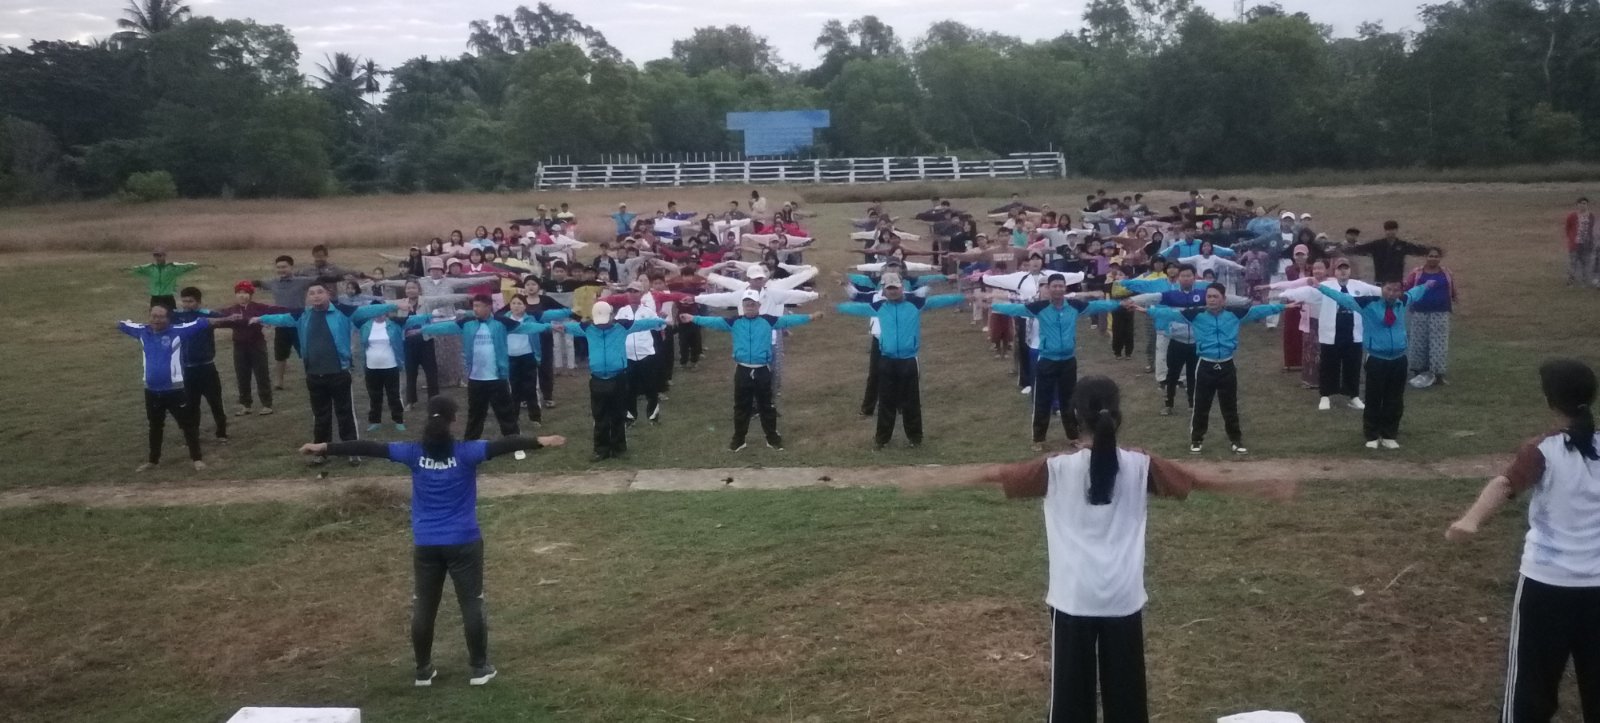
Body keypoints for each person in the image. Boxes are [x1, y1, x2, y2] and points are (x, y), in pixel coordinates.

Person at [968, 375, 1292, 723]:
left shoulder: (1055, 468)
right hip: (1123, 598)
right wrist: (1260, 488)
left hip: (1074, 599)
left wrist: (939, 479)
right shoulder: (1140, 465)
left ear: (1075, 416)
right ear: (1117, 415)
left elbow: (997, 475)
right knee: (1127, 699)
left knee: (1069, 702)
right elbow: (1196, 481)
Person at [298, 396, 566, 688]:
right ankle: (479, 669)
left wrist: (325, 447)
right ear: (453, 421)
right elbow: (504, 445)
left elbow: (369, 448)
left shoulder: (413, 453)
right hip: (464, 541)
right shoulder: (467, 452)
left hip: (426, 543)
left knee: (424, 606)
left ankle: (423, 671)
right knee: (471, 603)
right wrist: (540, 440)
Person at [1445, 359, 1600, 722]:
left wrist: (1470, 520)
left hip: (1545, 588)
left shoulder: (1542, 450)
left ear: (1550, 402)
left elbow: (1504, 485)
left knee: (1531, 688)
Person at [254, 283, 397, 466]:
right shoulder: (303, 315)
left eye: (320, 292)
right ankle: (320, 452)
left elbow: (367, 310)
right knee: (320, 416)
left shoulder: (343, 311)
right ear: (308, 297)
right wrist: (261, 318)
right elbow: (282, 318)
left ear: (328, 294)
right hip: (314, 375)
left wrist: (393, 305)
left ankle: (352, 451)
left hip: (339, 373)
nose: (316, 296)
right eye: (312, 293)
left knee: (345, 414)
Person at [1138, 285, 1290, 454]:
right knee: (1201, 405)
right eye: (1209, 296)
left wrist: (1284, 306)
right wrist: (1147, 310)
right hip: (1205, 366)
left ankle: (1235, 441)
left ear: (1223, 299)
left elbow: (1259, 311)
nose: (1211, 300)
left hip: (1227, 365)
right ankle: (1197, 440)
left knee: (1230, 406)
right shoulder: (1196, 314)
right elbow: (1170, 314)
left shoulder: (1234, 314)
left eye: (1215, 296)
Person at [992, 273, 1120, 451]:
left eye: (1061, 286)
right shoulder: (1039, 307)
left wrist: (1119, 304)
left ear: (1065, 288)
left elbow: (1096, 306)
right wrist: (992, 305)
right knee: (1041, 400)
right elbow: (1016, 309)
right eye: (1054, 286)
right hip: (1047, 361)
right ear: (1049, 288)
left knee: (1070, 400)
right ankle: (1038, 438)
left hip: (1068, 361)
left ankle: (1073, 436)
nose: (1058, 289)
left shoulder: (1074, 306)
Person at [682, 291, 822, 451]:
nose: (750, 306)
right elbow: (714, 321)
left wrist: (810, 317)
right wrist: (693, 318)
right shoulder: (734, 322)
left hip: (762, 371)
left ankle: (772, 438)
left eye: (753, 303)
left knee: (766, 405)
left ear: (759, 305)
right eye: (747, 303)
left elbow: (788, 320)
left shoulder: (768, 321)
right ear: (742, 305)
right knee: (741, 406)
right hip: (742, 370)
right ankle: (739, 439)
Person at [837, 275, 963, 450]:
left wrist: (962, 297)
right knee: (886, 401)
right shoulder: (879, 306)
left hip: (908, 360)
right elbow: (858, 308)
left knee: (911, 401)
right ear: (884, 290)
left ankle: (915, 438)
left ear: (901, 288)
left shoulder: (915, 303)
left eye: (895, 288)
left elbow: (938, 301)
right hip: (887, 360)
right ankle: (882, 440)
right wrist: (837, 307)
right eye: (889, 288)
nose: (893, 291)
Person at [1316, 276, 1436, 449]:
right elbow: (1343, 298)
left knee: (1394, 399)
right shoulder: (1368, 304)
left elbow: (1414, 293)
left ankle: (1389, 435)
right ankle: (1372, 435)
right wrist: (1320, 287)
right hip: (1376, 359)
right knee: (1374, 398)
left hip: (1399, 359)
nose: (1392, 293)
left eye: (1396, 290)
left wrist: (1426, 285)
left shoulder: (1402, 302)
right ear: (1382, 288)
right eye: (1388, 289)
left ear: (1400, 291)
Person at [419, 295, 551, 440]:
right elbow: (446, 327)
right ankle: (471, 443)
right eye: (474, 306)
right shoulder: (467, 323)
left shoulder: (501, 322)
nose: (475, 309)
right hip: (476, 379)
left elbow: (526, 327)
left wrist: (548, 326)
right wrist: (423, 329)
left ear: (488, 307)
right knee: (475, 414)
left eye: (479, 306)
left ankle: (514, 442)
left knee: (505, 413)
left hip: (497, 378)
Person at [559, 301, 667, 461]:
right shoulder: (587, 328)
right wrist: (553, 327)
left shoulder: (622, 326)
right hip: (597, 379)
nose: (602, 325)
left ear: (612, 316)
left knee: (618, 415)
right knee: (599, 416)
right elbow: (565, 328)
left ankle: (619, 449)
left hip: (618, 377)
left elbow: (643, 324)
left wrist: (660, 321)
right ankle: (600, 450)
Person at [118, 305, 208, 471]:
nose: (156, 320)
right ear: (149, 317)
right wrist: (121, 323)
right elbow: (122, 325)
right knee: (155, 426)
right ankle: (153, 461)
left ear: (168, 319)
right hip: (151, 390)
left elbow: (202, 323)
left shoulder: (178, 331)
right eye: (154, 316)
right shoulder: (142, 332)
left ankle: (197, 459)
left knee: (187, 425)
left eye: (161, 317)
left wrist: (226, 318)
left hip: (175, 390)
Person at [215, 281, 286, 416]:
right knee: (242, 375)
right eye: (239, 293)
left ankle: (266, 404)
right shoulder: (231, 310)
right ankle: (245, 404)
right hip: (239, 346)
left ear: (251, 294)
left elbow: (276, 311)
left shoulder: (259, 307)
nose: (242, 296)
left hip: (257, 345)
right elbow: (217, 317)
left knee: (262, 374)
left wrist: (264, 320)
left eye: (245, 293)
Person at [500, 293, 572, 426]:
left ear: (525, 306)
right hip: (511, 358)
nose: (516, 306)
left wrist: (553, 325)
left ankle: (535, 418)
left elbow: (539, 326)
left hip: (528, 356)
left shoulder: (531, 319)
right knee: (514, 389)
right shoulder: (504, 320)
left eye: (519, 304)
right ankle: (513, 418)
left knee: (531, 388)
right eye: (513, 303)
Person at [172, 287, 232, 443]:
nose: (186, 304)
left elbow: (226, 319)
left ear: (198, 302)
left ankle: (221, 433)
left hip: (206, 367)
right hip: (188, 368)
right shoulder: (177, 316)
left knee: (215, 401)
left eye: (190, 301)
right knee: (191, 404)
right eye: (184, 301)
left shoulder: (207, 315)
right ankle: (193, 435)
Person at [1404, 247, 1458, 388]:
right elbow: (1407, 288)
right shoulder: (1417, 273)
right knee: (1418, 341)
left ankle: (1438, 375)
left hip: (1440, 312)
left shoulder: (1446, 273)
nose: (1433, 258)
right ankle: (1418, 372)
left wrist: (1454, 298)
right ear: (1426, 257)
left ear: (1440, 258)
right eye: (1430, 256)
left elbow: (1451, 288)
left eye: (1436, 256)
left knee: (1439, 343)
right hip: (1419, 312)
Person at [259, 255, 314, 391]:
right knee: (280, 354)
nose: (281, 270)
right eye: (278, 267)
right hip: (281, 322)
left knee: (305, 352)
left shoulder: (302, 281)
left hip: (298, 322)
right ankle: (279, 382)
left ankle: (312, 376)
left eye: (284, 267)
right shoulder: (273, 283)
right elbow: (258, 284)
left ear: (291, 267)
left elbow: (321, 280)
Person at [1343, 220, 1430, 283]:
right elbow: (1360, 249)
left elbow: (1417, 250)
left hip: (1396, 281)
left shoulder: (1402, 245)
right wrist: (1344, 250)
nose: (1390, 232)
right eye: (1388, 230)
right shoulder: (1377, 244)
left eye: (1392, 229)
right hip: (1380, 280)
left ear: (1396, 230)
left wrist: (1431, 251)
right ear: (1385, 231)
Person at [127, 248, 198, 309]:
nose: (157, 258)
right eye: (155, 256)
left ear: (164, 256)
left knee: (171, 317)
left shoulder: (172, 268)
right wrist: (128, 269)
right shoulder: (151, 268)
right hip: (155, 298)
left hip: (168, 298)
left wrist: (196, 265)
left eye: (159, 256)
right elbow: (137, 269)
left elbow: (186, 266)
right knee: (155, 316)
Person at [1565, 197, 1596, 287]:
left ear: (1587, 205)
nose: (1583, 205)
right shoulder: (1572, 216)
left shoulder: (1591, 216)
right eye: (1581, 203)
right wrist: (1571, 238)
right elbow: (1567, 228)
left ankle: (1584, 281)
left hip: (1586, 244)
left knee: (1585, 263)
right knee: (1573, 263)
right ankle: (1570, 282)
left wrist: (1592, 241)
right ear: (1577, 205)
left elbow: (1592, 229)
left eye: (1585, 203)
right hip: (1575, 244)